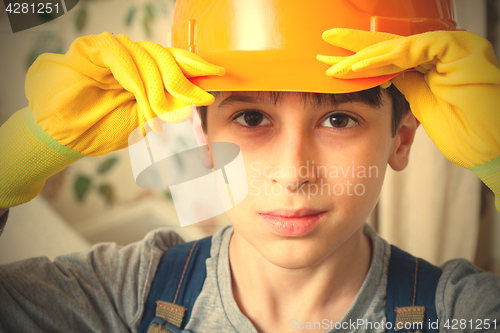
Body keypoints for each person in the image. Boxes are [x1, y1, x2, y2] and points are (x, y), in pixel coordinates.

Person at [1, 0, 499, 332]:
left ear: (401, 139)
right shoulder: (125, 294)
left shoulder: (457, 312)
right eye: (252, 116)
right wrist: (16, 157)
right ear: (202, 138)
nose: (292, 173)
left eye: (340, 118)